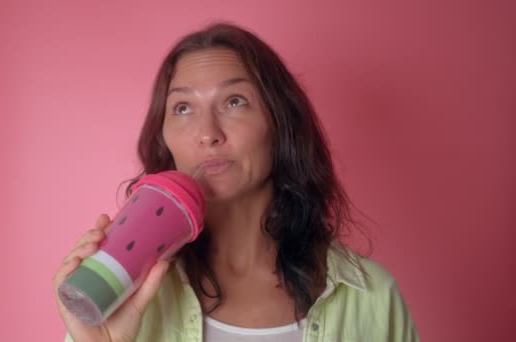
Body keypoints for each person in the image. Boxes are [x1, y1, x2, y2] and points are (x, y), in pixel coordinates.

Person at [53, 23, 419, 342]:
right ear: (164, 138)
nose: (207, 134)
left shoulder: (372, 297)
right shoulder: (123, 292)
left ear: (280, 124)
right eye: (182, 108)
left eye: (235, 102)